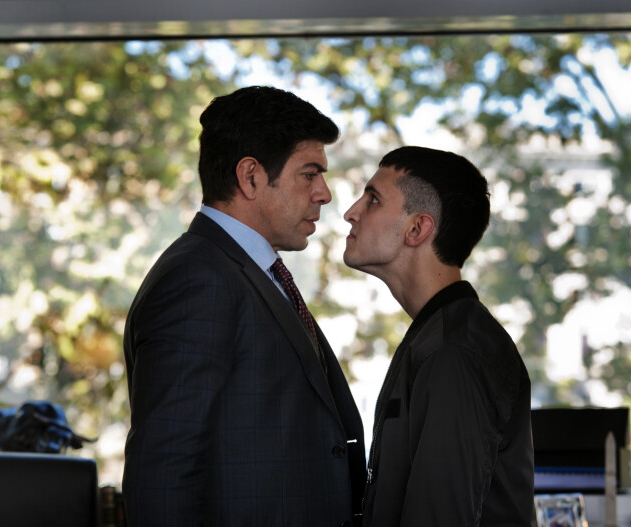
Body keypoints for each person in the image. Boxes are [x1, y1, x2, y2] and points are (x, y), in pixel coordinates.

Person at [123, 86, 366, 526]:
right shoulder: (198, 279)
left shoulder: (241, 271)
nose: (325, 194)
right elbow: (163, 473)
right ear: (251, 176)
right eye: (309, 174)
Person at [343, 146, 536, 526]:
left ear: (417, 229)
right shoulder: (438, 336)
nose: (351, 212)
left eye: (373, 199)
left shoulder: (454, 352)